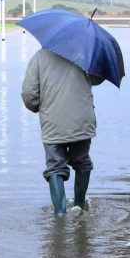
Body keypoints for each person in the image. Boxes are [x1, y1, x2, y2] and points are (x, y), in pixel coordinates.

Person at [21, 48, 104, 216]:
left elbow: (29, 95)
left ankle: (60, 214)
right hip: (82, 120)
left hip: (52, 122)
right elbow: (97, 78)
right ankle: (80, 207)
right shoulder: (83, 54)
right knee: (82, 162)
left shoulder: (38, 58)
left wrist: (41, 107)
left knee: (55, 167)